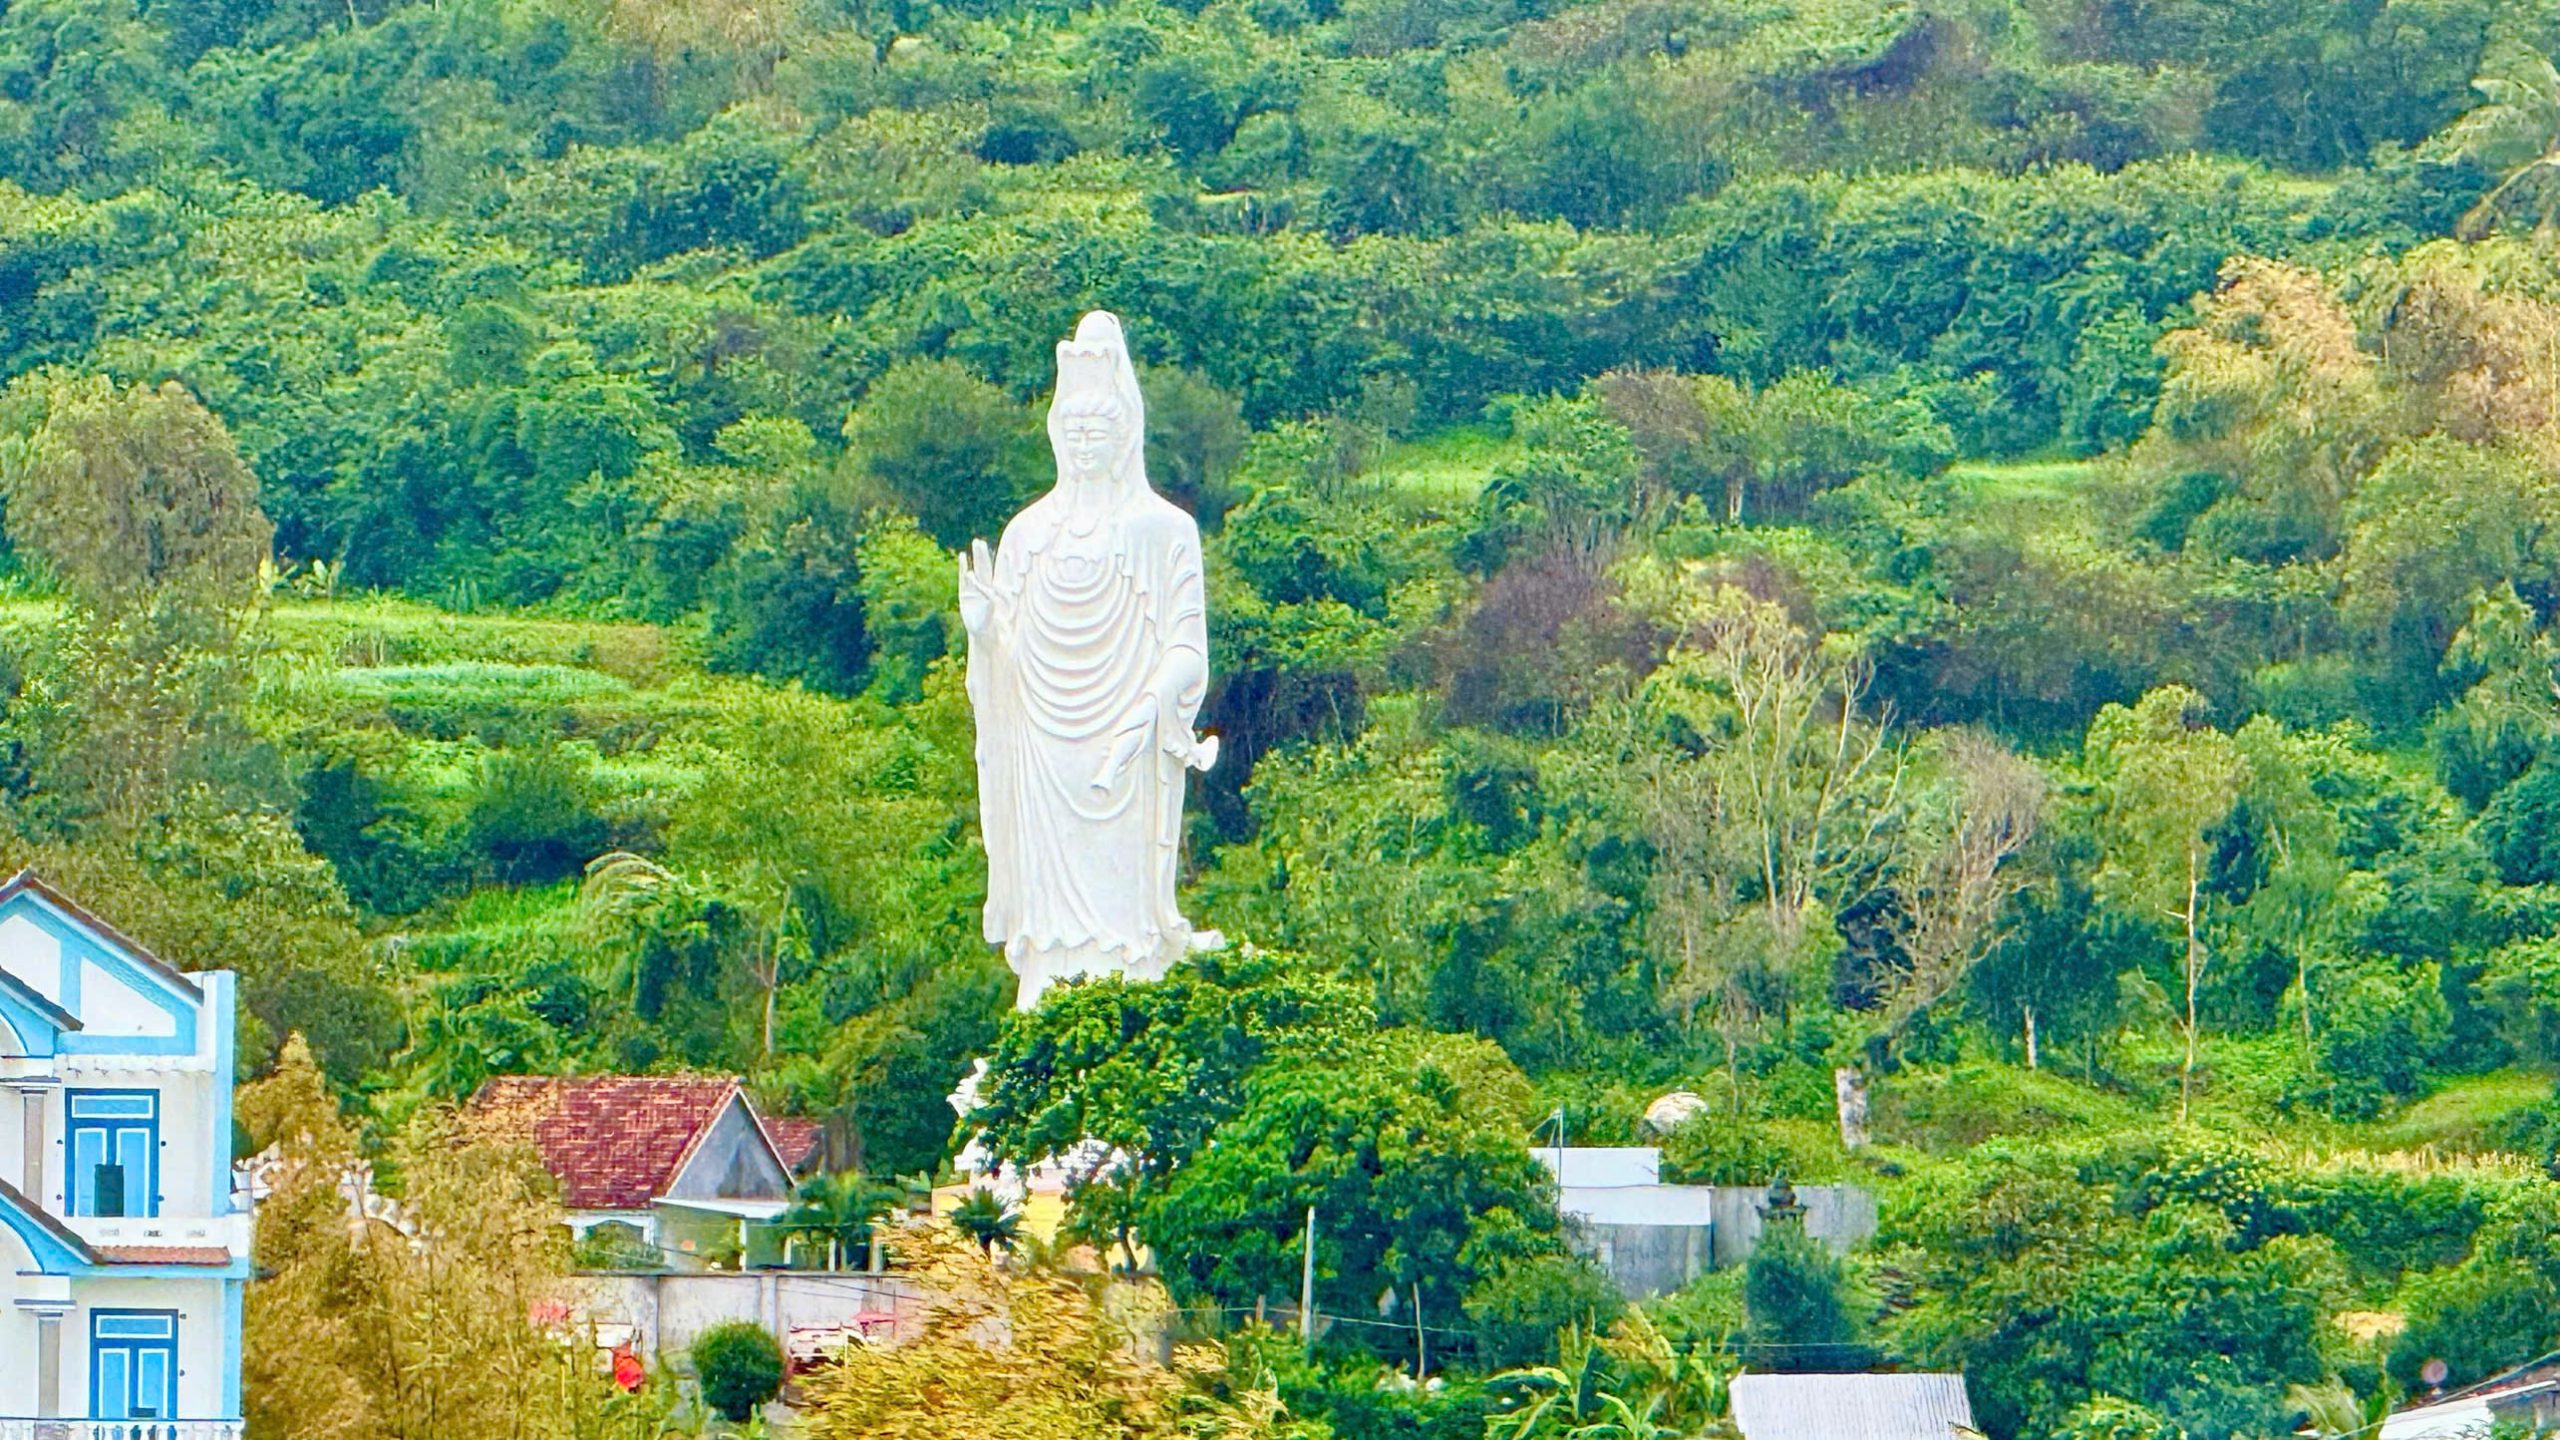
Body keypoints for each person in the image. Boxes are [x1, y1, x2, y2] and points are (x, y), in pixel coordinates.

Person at [959, 311, 1219, 1010]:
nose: (1084, 442)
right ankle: (1046, 995)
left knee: (1121, 913)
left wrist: (1147, 709)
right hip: (1044, 753)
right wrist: (985, 636)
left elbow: (1189, 650)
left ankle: (1127, 994)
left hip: (1127, 752)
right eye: (1072, 428)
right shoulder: (1026, 534)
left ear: (1126, 430)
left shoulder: (1166, 531)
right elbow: (1004, 672)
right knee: (1053, 923)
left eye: (1098, 429)